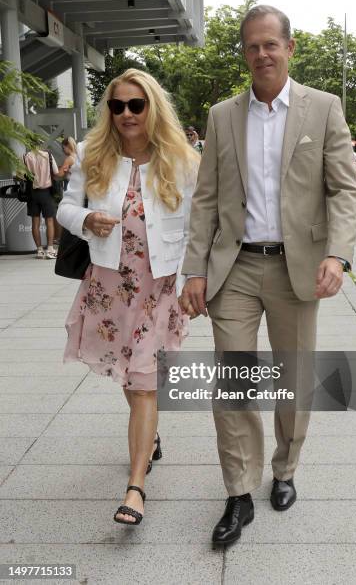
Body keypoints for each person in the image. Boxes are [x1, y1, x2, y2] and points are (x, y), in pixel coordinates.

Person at [180, 4, 356, 547]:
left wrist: (339, 255)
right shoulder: (221, 116)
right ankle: (238, 491)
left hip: (296, 269)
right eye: (252, 46)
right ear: (245, 53)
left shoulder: (323, 109)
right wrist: (194, 269)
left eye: (270, 45)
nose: (262, 54)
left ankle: (284, 469)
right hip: (233, 268)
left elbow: (345, 191)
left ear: (289, 48)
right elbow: (206, 200)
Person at [57, 68, 198, 526]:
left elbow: (201, 224)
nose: (125, 114)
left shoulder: (181, 159)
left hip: (158, 286)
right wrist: (86, 221)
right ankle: (150, 439)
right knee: (129, 375)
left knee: (143, 381)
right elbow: (65, 207)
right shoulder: (92, 154)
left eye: (135, 105)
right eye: (117, 106)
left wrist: (197, 280)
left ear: (152, 108)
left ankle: (135, 487)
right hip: (109, 286)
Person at [24, 147, 60, 259]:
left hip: (32, 193)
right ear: (40, 143)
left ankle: (39, 251)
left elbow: (20, 175)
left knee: (35, 222)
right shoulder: (48, 155)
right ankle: (50, 249)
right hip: (46, 193)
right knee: (49, 220)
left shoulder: (26, 156)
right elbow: (56, 172)